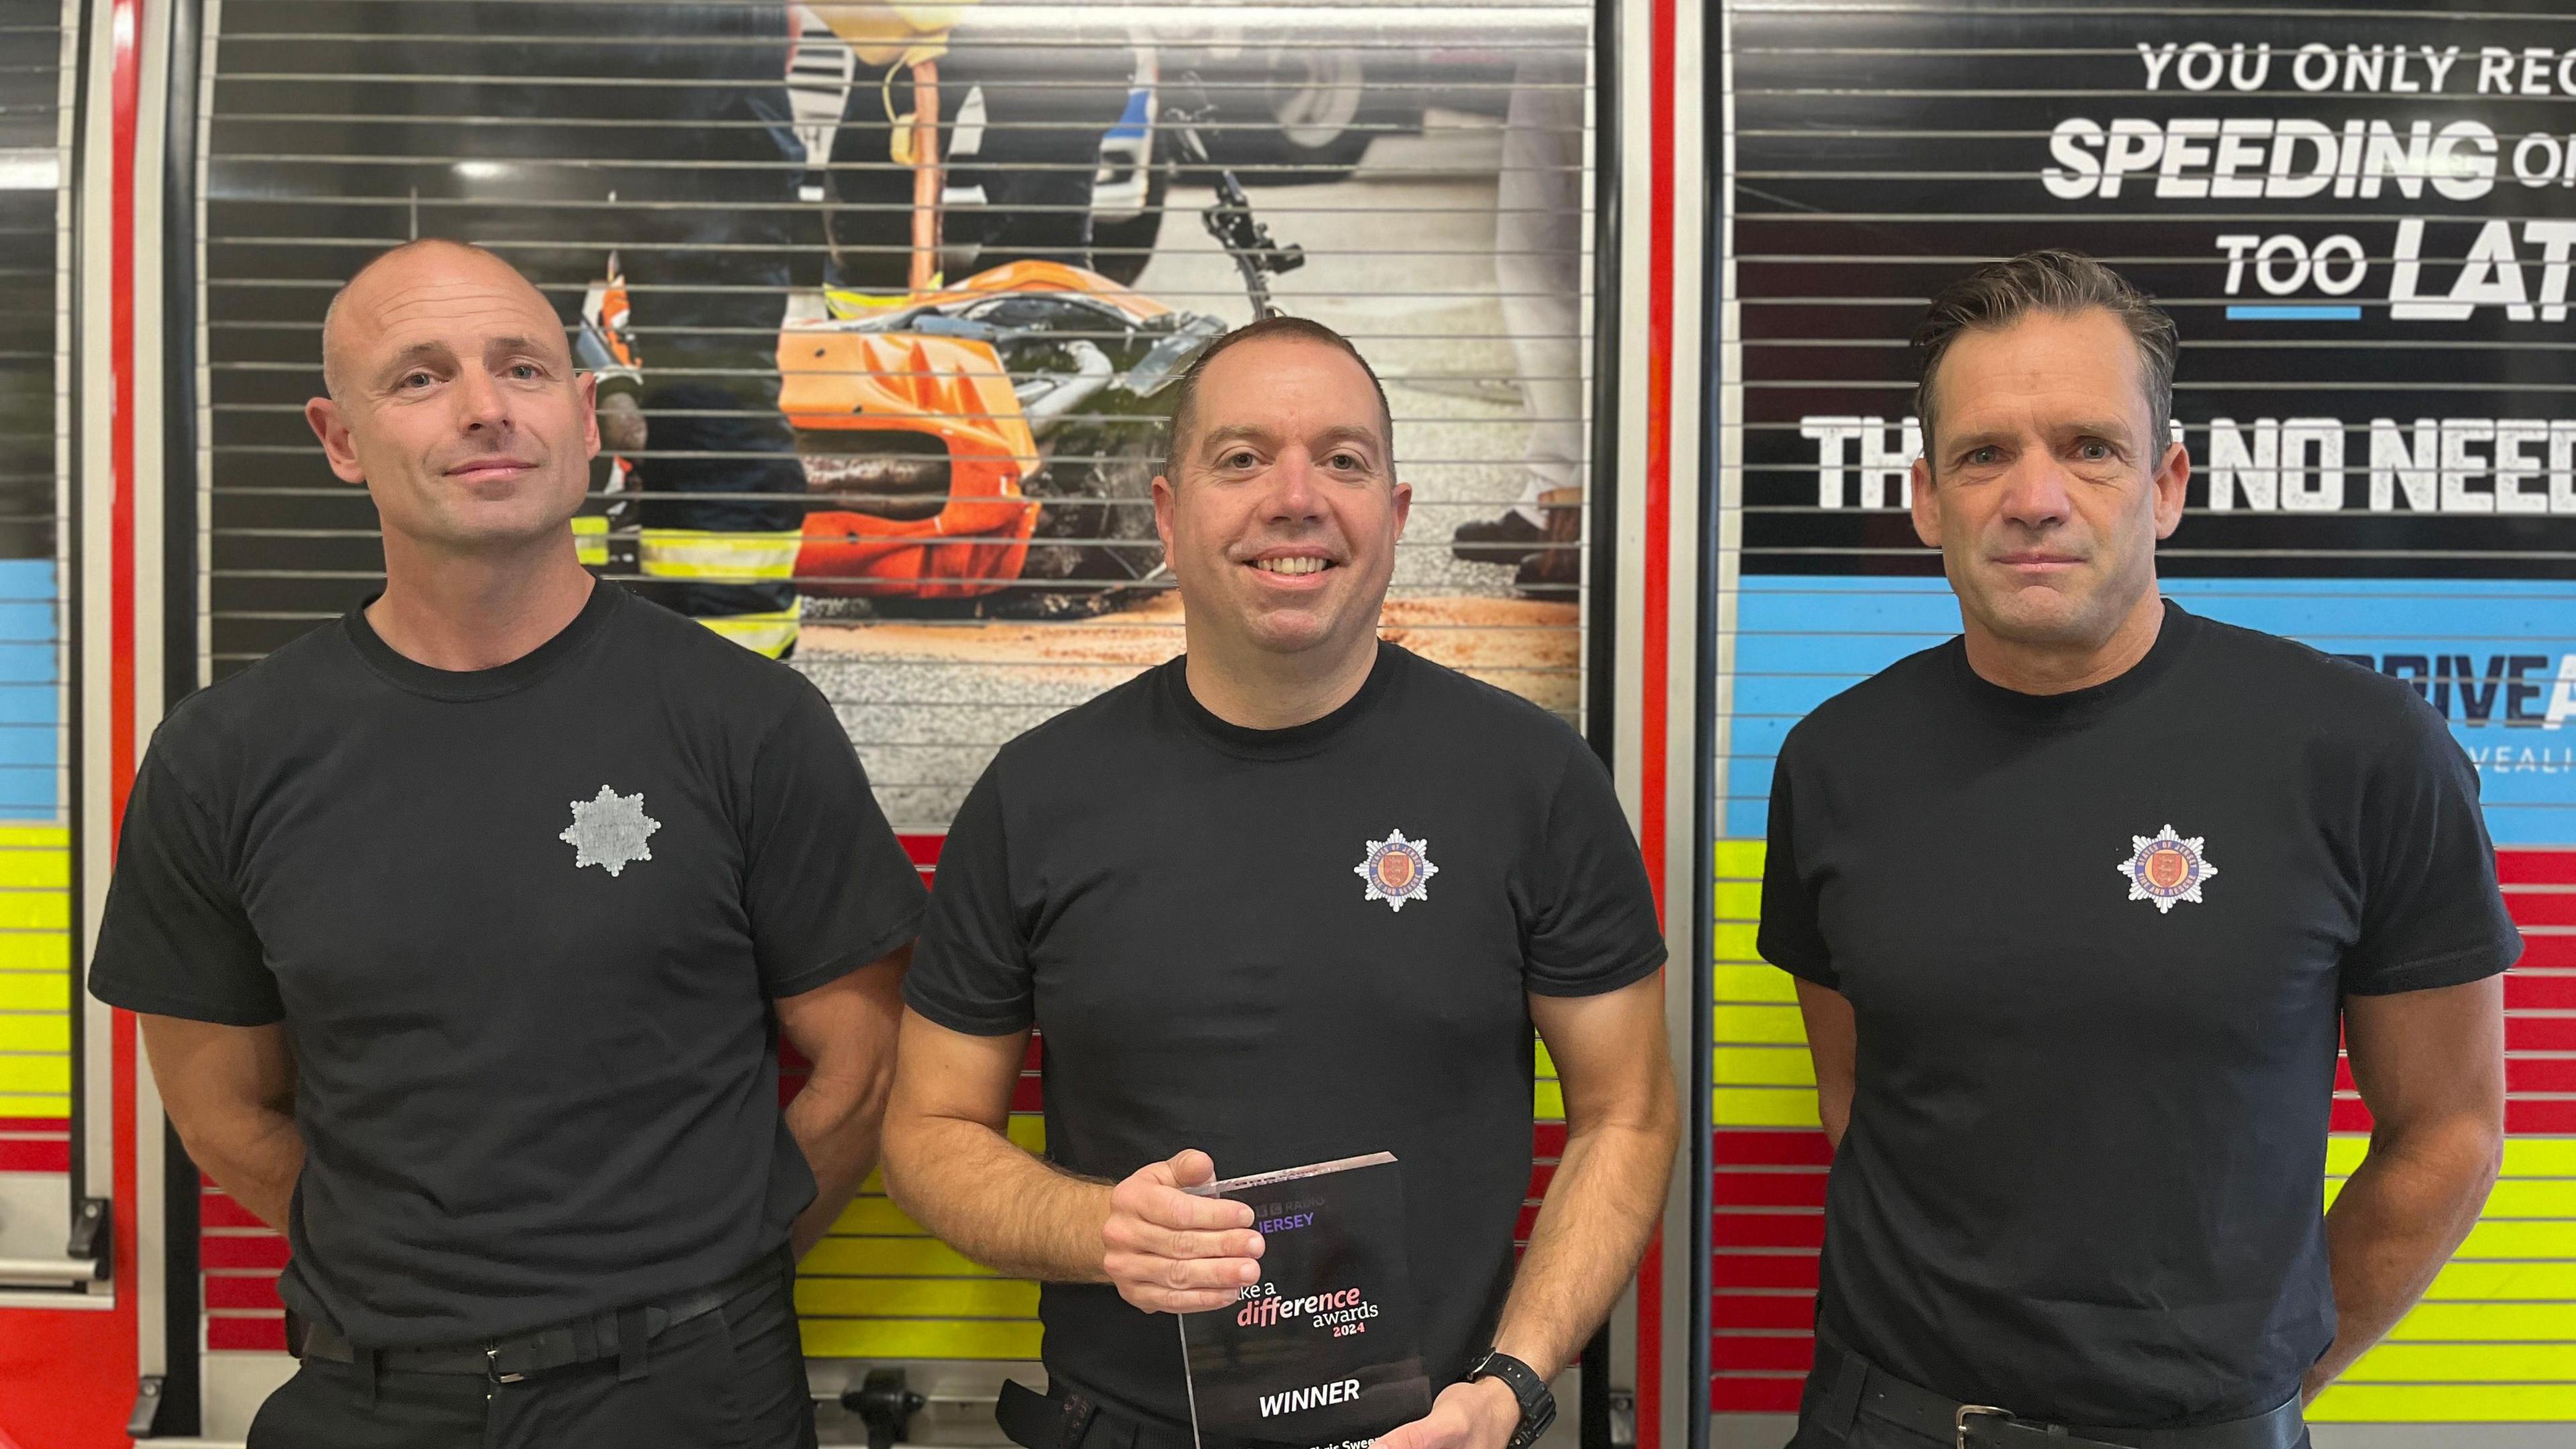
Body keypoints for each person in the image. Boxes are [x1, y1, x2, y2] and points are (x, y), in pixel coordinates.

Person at [87, 239, 927, 1448]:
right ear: (338, 439)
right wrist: (420, 1280)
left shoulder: (748, 722)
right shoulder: (226, 757)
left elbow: (866, 1068)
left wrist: (689, 1293)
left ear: (585, 421)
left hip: (695, 1400)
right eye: (420, 378)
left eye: (524, 369)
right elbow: (221, 1112)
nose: (487, 409)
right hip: (366, 1401)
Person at [1759, 250, 2518, 1449]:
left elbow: (2451, 1131)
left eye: (2089, 447)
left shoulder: (2364, 752)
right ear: (1926, 498)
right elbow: (1862, 1094)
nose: (2035, 496)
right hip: (1885, 1419)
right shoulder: (1834, 760)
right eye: (1984, 454)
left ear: (2165, 484)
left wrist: (2259, 1395)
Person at [881, 315, 1678, 1449]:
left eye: (1344, 461)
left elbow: (1629, 1112)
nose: (1295, 499)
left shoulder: (1532, 780)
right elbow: (925, 1129)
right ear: (1168, 510)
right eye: (1242, 458)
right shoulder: (1037, 795)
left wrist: (1512, 1385)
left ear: (1395, 518)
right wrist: (1101, 1227)